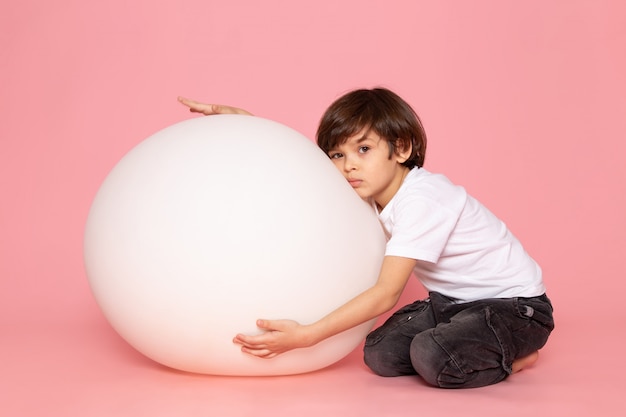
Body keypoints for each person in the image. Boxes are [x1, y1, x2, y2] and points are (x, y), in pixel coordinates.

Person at [177, 89, 554, 388]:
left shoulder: (423, 200)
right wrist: (244, 123)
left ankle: (514, 358)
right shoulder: (369, 192)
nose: (348, 165)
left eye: (363, 149)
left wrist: (308, 336)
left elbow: (386, 293)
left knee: (433, 357)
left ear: (401, 149)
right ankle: (460, 335)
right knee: (379, 355)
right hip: (453, 303)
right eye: (337, 154)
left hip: (515, 307)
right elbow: (300, 163)